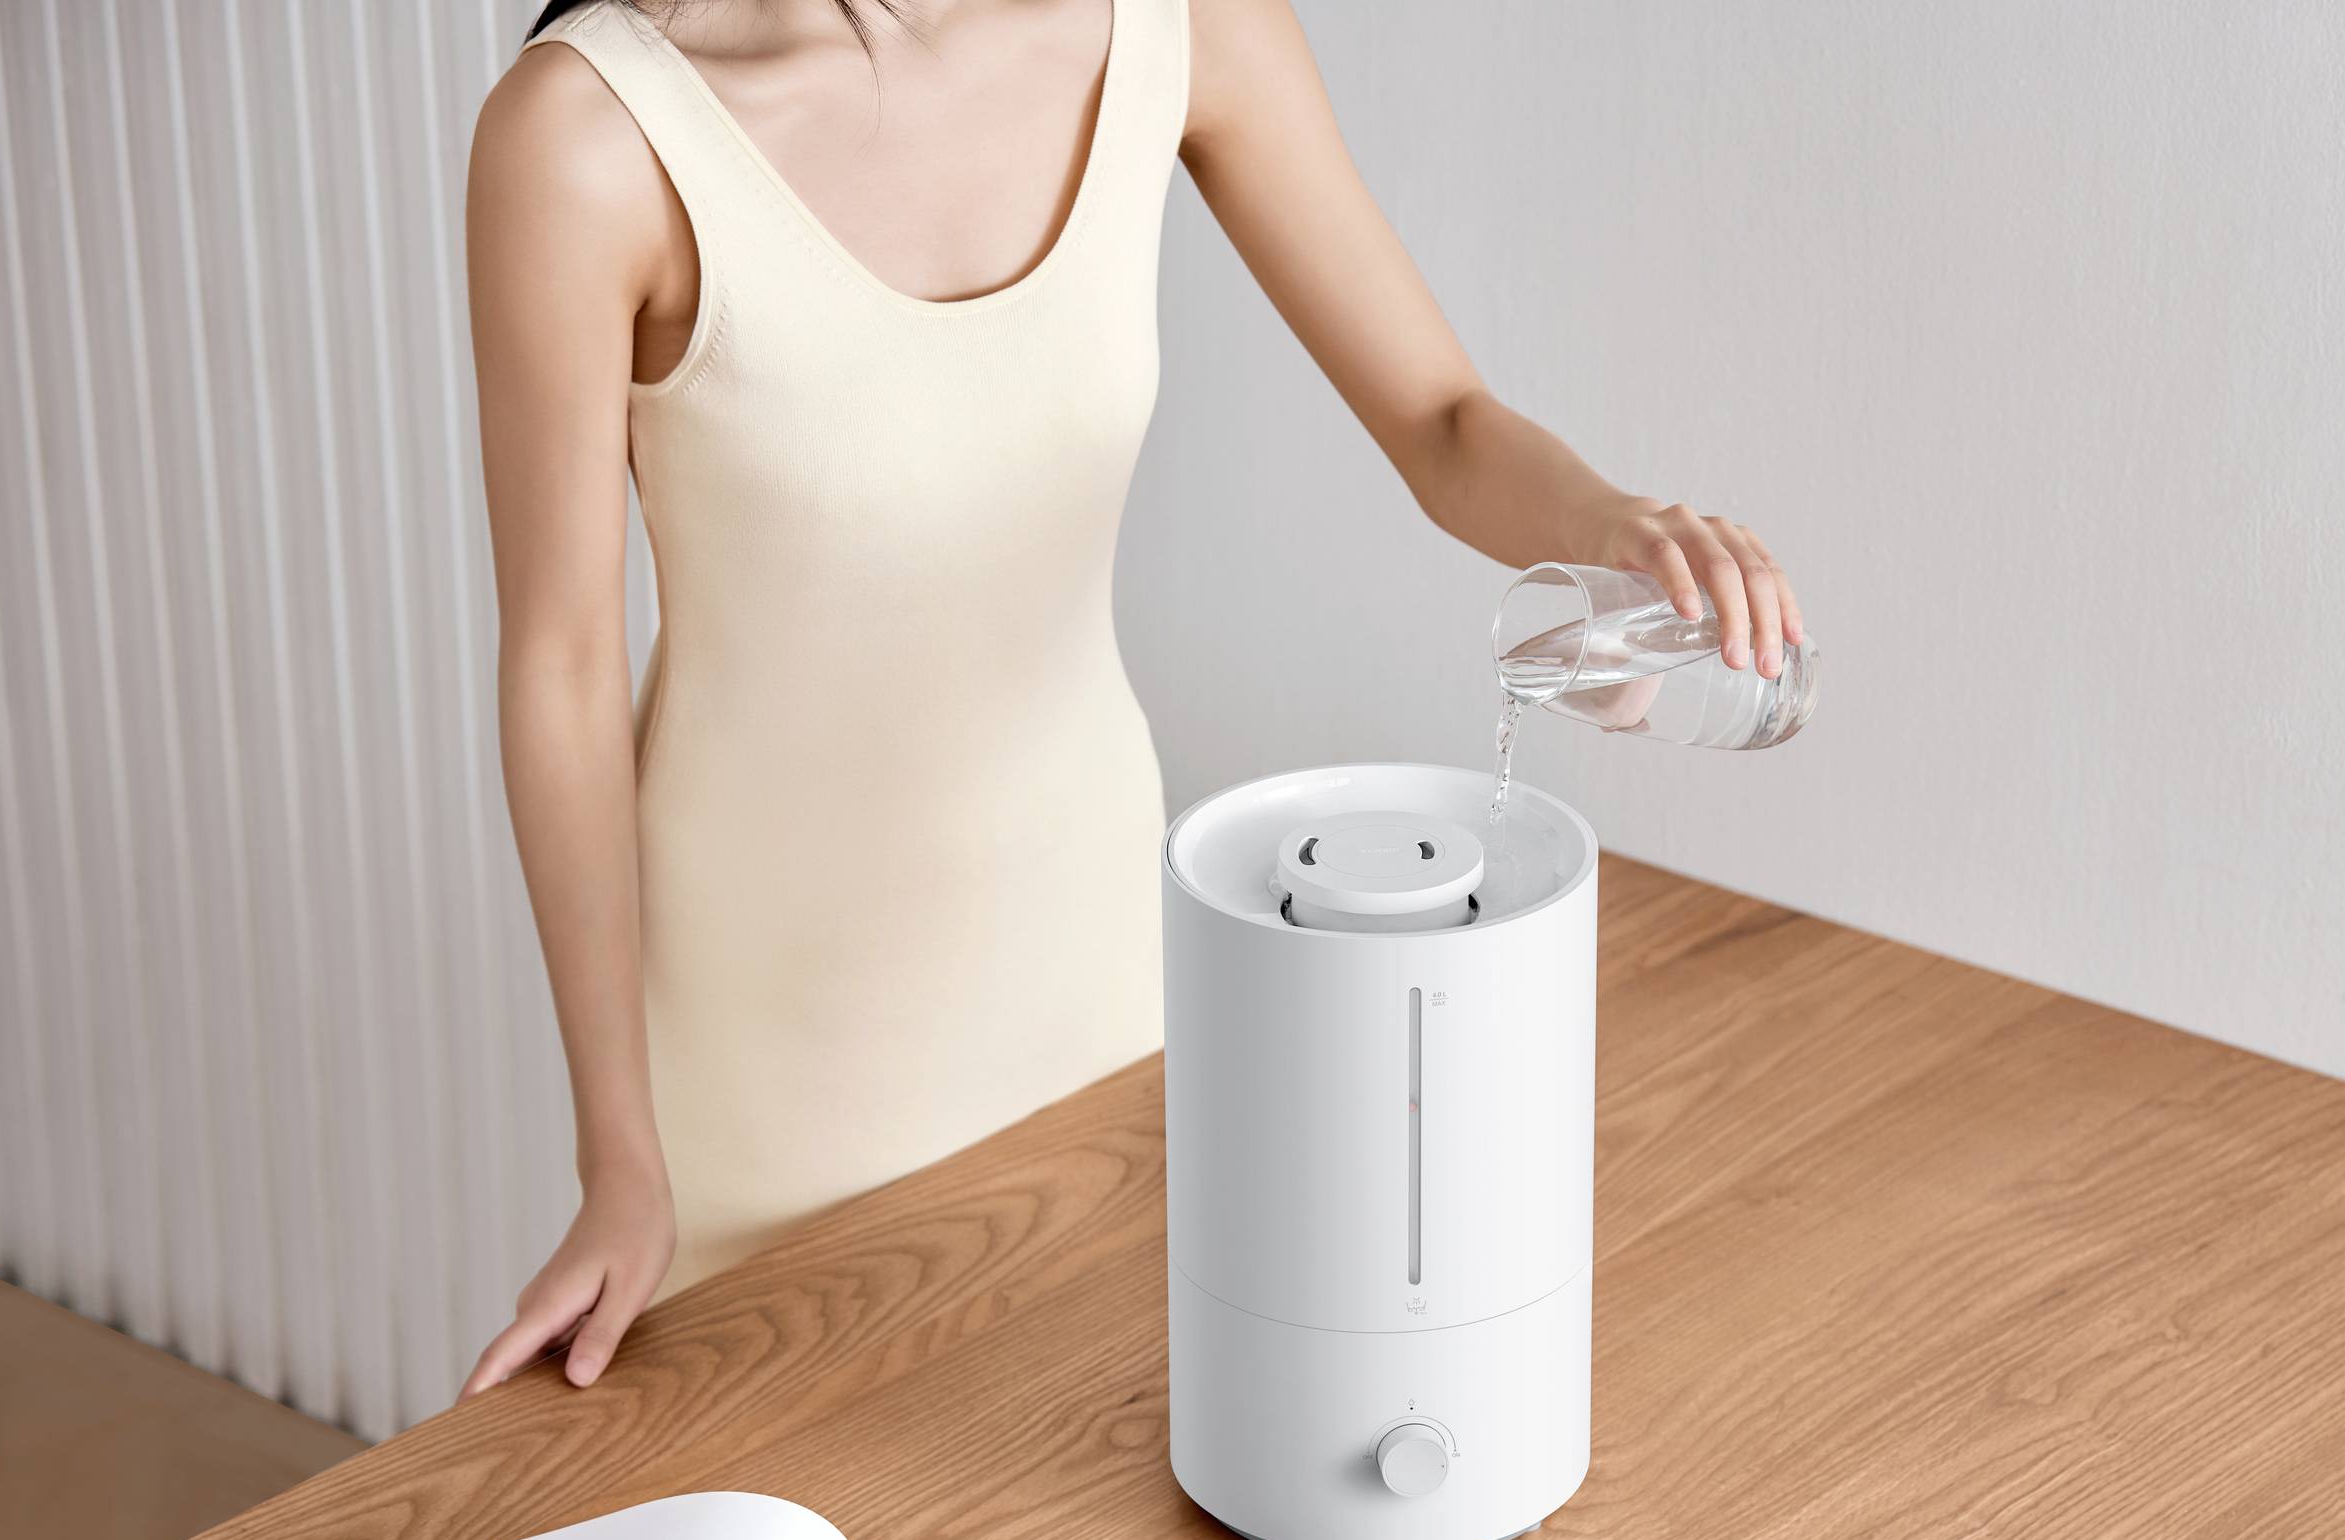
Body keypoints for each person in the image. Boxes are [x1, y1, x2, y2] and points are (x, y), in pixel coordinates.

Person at [458, 0, 1803, 1396]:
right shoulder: (589, 142)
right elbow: (560, 666)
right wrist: (618, 1158)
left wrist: (1612, 526)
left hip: (1106, 998)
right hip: (757, 1078)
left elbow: (1441, 422)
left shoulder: (1177, 22)